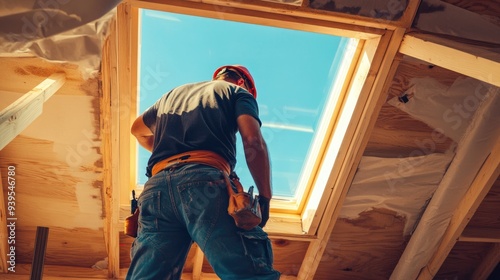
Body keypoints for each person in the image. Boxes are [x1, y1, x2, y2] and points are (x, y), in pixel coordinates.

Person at [126, 65, 280, 280]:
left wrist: (173, 152)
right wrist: (265, 198)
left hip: (155, 189)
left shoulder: (171, 95)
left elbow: (137, 131)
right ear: (242, 82)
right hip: (204, 182)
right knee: (247, 272)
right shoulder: (237, 93)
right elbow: (253, 140)